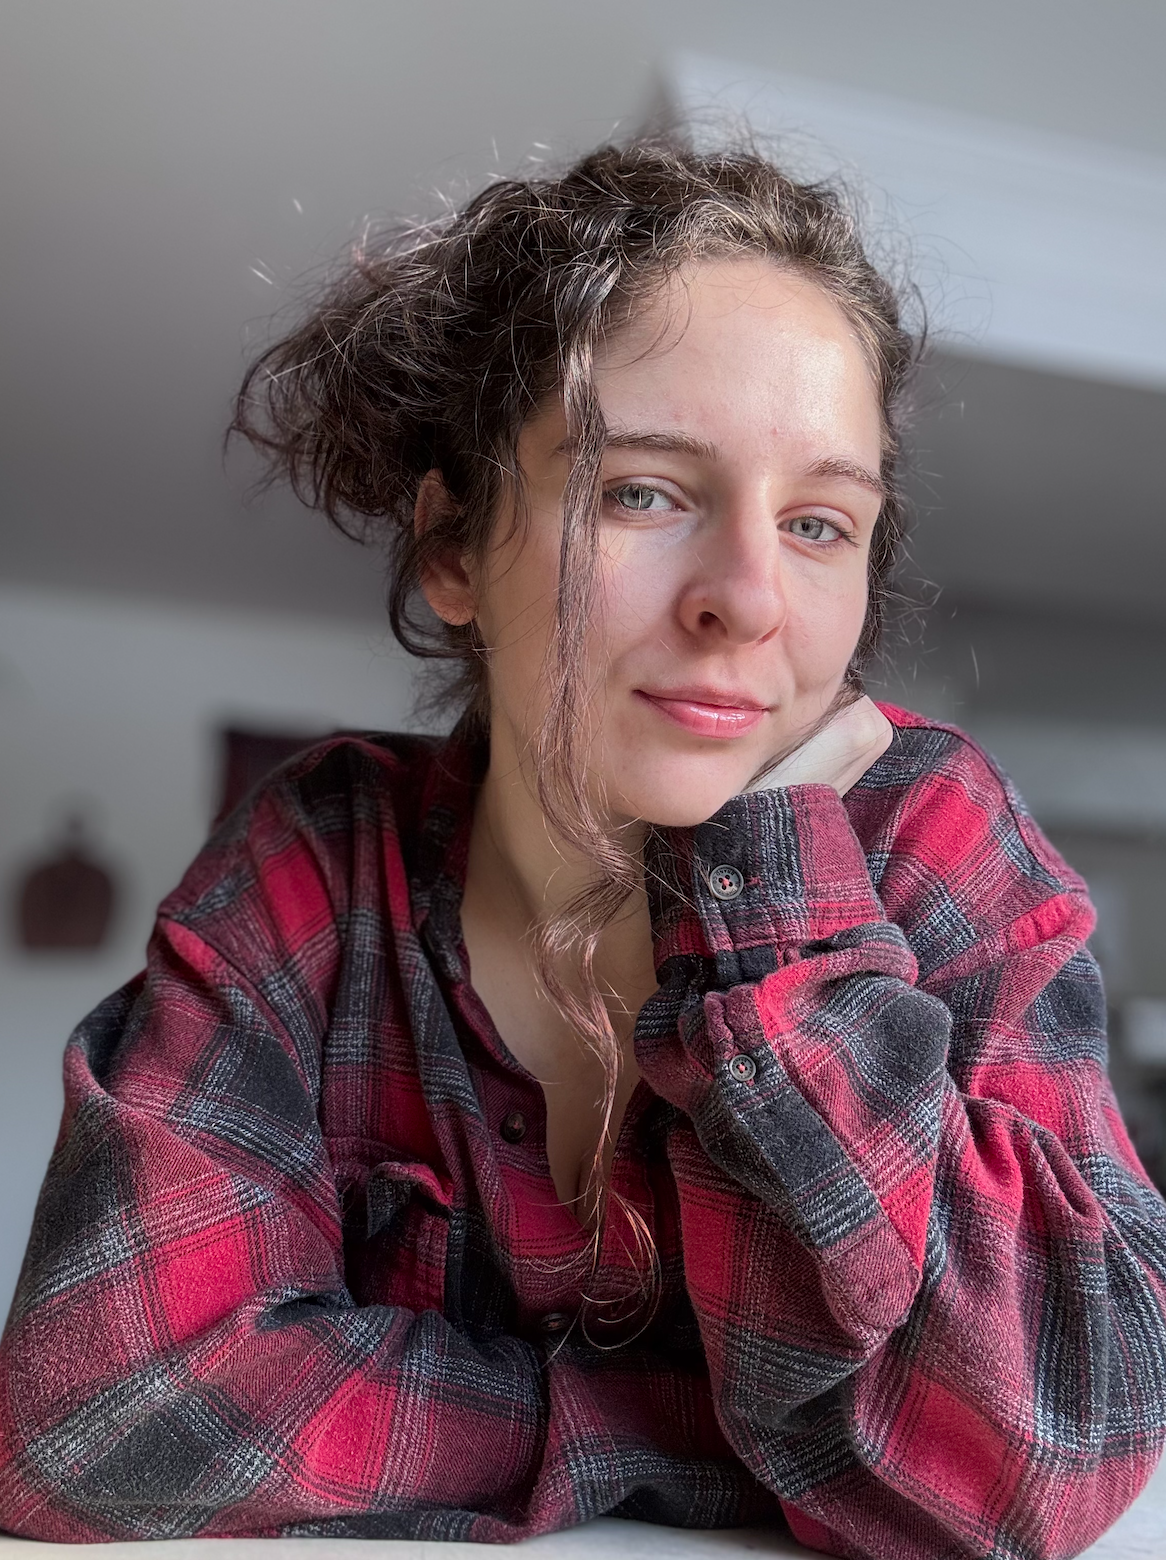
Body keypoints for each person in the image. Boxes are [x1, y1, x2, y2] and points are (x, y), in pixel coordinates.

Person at [0, 138, 1163, 1560]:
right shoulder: (319, 858)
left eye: (816, 524)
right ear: (450, 547)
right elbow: (101, 1410)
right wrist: (710, 1437)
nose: (748, 597)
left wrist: (775, 933)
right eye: (645, 492)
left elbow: (1047, 1455)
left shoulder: (933, 839)